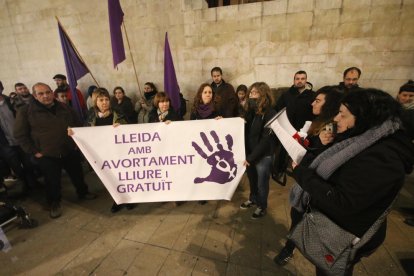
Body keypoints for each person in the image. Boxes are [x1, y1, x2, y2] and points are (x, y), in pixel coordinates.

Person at [291, 89, 414, 275]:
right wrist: (328, 144)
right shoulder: (361, 139)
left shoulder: (383, 157)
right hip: (333, 226)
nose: (336, 119)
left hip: (342, 234)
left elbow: (342, 202)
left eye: (343, 115)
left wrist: (302, 175)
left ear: (366, 118)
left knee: (331, 270)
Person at [274, 86, 343, 266]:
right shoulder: (318, 122)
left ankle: (290, 249)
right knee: (296, 214)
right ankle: (291, 244)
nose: (313, 103)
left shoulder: (330, 128)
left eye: (318, 101)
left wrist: (303, 151)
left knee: (301, 218)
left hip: (314, 186)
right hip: (305, 181)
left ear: (329, 105)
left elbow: (320, 157)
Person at [14, 82, 96, 219]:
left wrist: (77, 142)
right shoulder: (26, 112)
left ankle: (83, 192)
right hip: (47, 154)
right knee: (52, 181)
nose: (45, 96)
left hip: (68, 150)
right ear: (34, 96)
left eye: (47, 92)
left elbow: (77, 123)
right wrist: (34, 151)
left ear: (52, 92)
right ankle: (54, 203)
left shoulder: (64, 107)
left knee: (78, 174)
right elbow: (20, 135)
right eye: (41, 93)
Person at [82, 87, 136, 213]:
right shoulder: (91, 115)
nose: (104, 102)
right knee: (110, 178)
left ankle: (128, 199)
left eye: (106, 99)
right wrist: (74, 133)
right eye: (101, 100)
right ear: (95, 101)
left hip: (119, 152)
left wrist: (121, 127)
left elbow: (130, 129)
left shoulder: (117, 113)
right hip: (102, 154)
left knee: (123, 177)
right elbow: (85, 132)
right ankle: (117, 200)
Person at [240, 82, 277, 219]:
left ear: (263, 94)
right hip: (250, 154)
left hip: (263, 156)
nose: (251, 95)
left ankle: (262, 206)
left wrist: (251, 157)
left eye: (255, 93)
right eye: (251, 92)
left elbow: (265, 140)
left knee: (262, 183)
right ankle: (253, 199)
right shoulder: (250, 111)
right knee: (252, 179)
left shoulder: (270, 112)